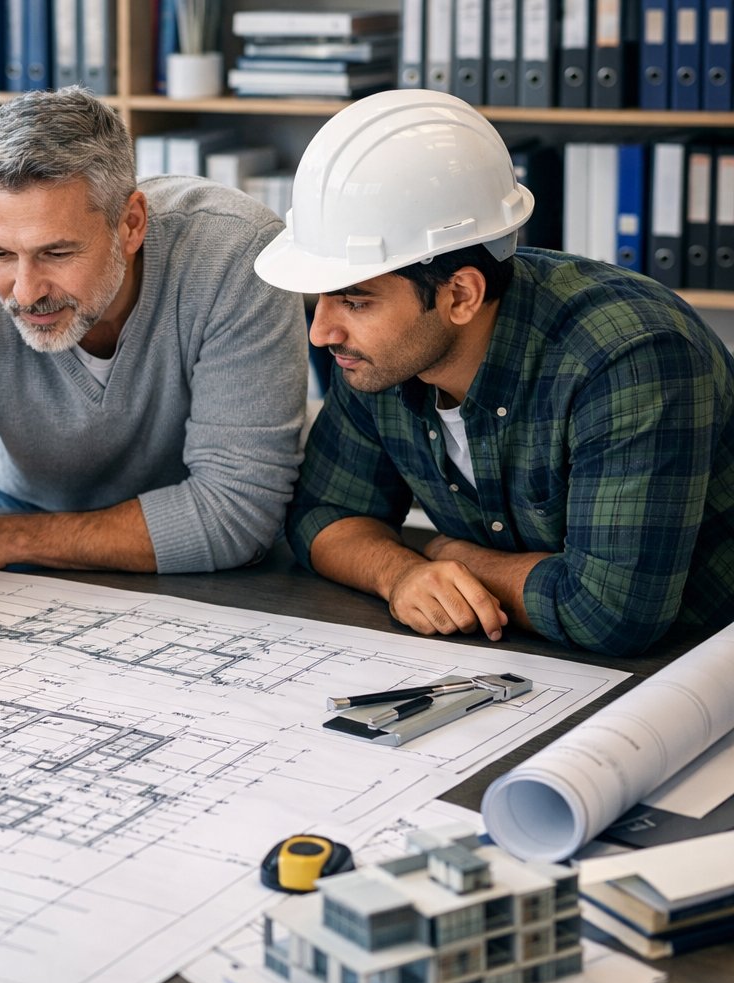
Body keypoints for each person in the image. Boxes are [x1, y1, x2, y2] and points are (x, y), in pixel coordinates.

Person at [0, 86, 307, 695]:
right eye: (1, 253)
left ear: (131, 224)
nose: (25, 291)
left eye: (57, 252)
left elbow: (236, 510)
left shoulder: (237, 256)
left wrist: (13, 537)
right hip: (20, 584)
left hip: (210, 582)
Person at [257, 90, 734, 657]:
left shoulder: (630, 358)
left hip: (695, 668)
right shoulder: (379, 357)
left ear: (460, 294)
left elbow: (612, 613)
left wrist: (449, 555)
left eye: (355, 302)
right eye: (322, 300)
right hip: (536, 656)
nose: (322, 332)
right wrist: (400, 574)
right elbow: (322, 516)